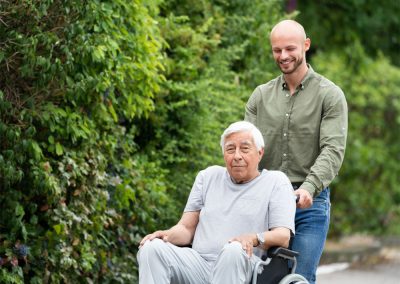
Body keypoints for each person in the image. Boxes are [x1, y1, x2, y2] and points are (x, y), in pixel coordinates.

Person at [245, 20, 348, 283]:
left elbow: (332, 149)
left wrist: (309, 187)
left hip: (309, 204)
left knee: (298, 279)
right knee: (258, 277)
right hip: (266, 203)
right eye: (276, 50)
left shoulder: (330, 95)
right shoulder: (260, 96)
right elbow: (247, 151)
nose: (283, 56)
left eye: (290, 49)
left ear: (306, 45)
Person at [137, 121, 296, 284]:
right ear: (224, 154)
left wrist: (253, 238)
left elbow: (282, 236)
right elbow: (186, 228)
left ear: (260, 153)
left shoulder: (276, 181)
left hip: (245, 264)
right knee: (151, 248)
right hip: (199, 264)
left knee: (234, 249)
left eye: (245, 148)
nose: (237, 156)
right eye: (230, 149)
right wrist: (167, 235)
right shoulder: (207, 177)